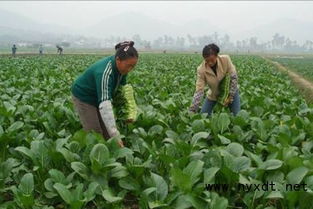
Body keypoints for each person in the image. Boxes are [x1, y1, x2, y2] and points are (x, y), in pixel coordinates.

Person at [71, 41, 138, 147]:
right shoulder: (105, 72)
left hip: (98, 96)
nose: (130, 69)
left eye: (133, 66)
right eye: (129, 66)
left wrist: (129, 113)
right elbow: (105, 105)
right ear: (118, 60)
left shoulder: (122, 70)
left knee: (108, 135)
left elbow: (124, 92)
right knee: (95, 134)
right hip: (84, 96)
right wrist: (115, 134)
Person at [189, 43, 240, 116]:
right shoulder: (201, 70)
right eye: (207, 61)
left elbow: (234, 78)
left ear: (217, 56)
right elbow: (199, 90)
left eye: (212, 60)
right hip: (214, 94)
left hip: (230, 92)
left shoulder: (225, 60)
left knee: (237, 115)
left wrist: (230, 96)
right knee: (204, 114)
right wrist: (193, 109)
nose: (210, 63)